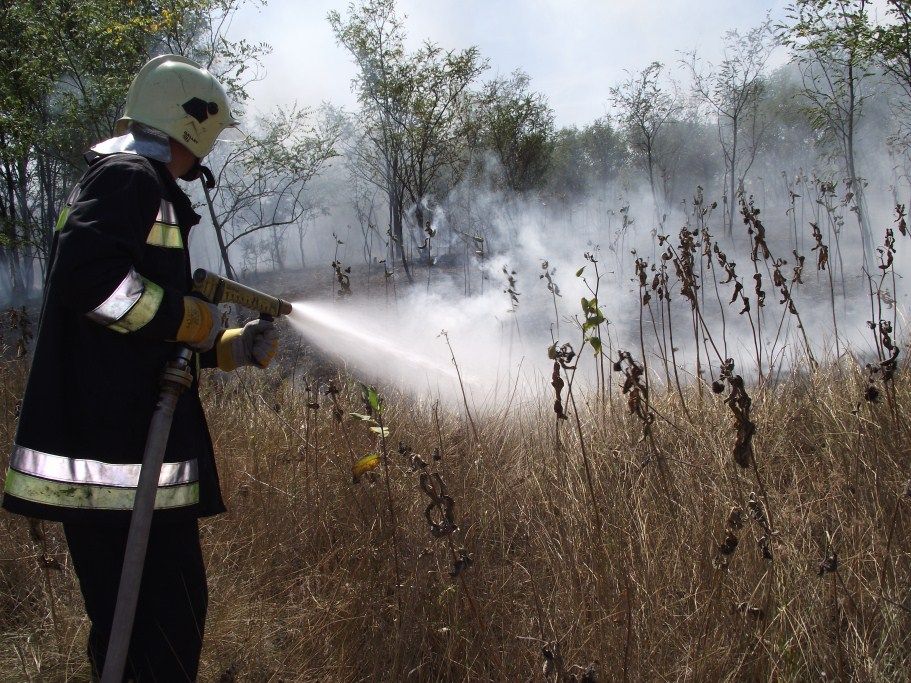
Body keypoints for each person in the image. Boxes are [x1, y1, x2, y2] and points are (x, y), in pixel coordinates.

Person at [0, 54, 277, 681]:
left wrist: (227, 345)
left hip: (125, 457)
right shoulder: (129, 178)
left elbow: (139, 326)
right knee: (161, 633)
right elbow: (92, 284)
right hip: (117, 460)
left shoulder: (133, 181)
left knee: (140, 636)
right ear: (191, 124)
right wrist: (186, 318)